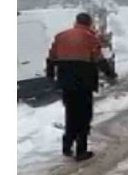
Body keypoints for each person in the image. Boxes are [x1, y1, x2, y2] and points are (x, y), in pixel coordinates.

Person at [45, 12, 117, 161]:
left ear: (76, 22)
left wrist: (51, 77)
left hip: (66, 83)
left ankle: (67, 146)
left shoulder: (60, 36)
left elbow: (51, 58)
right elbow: (99, 59)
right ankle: (81, 151)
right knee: (84, 117)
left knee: (71, 115)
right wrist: (110, 74)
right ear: (89, 23)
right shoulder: (90, 38)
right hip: (84, 83)